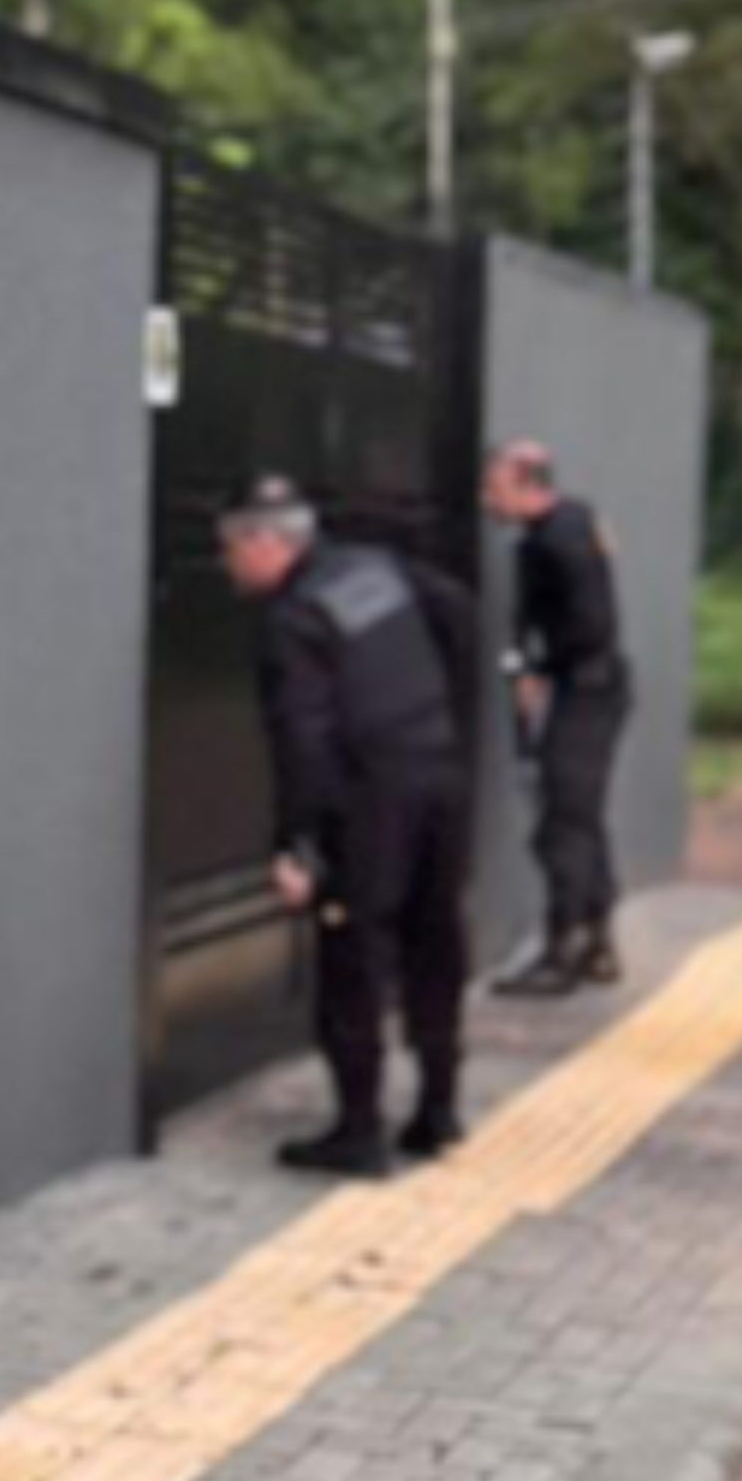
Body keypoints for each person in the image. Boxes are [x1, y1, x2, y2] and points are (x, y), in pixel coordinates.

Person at [220, 474, 477, 1179]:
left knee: (352, 956)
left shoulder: (293, 617)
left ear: (265, 544)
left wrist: (297, 844)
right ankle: (438, 1110)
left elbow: (302, 741)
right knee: (435, 942)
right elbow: (459, 614)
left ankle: (359, 1131)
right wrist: (439, 711)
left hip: (369, 801)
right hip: (438, 775)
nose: (225, 564)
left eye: (229, 549)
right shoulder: (379, 568)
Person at [480, 442, 632, 996]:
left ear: (527, 483)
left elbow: (588, 625)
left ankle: (563, 947)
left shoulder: (556, 542)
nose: (486, 499)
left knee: (563, 824)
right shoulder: (569, 525)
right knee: (580, 818)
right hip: (591, 686)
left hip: (582, 690)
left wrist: (537, 671)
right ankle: (596, 939)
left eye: (494, 487)